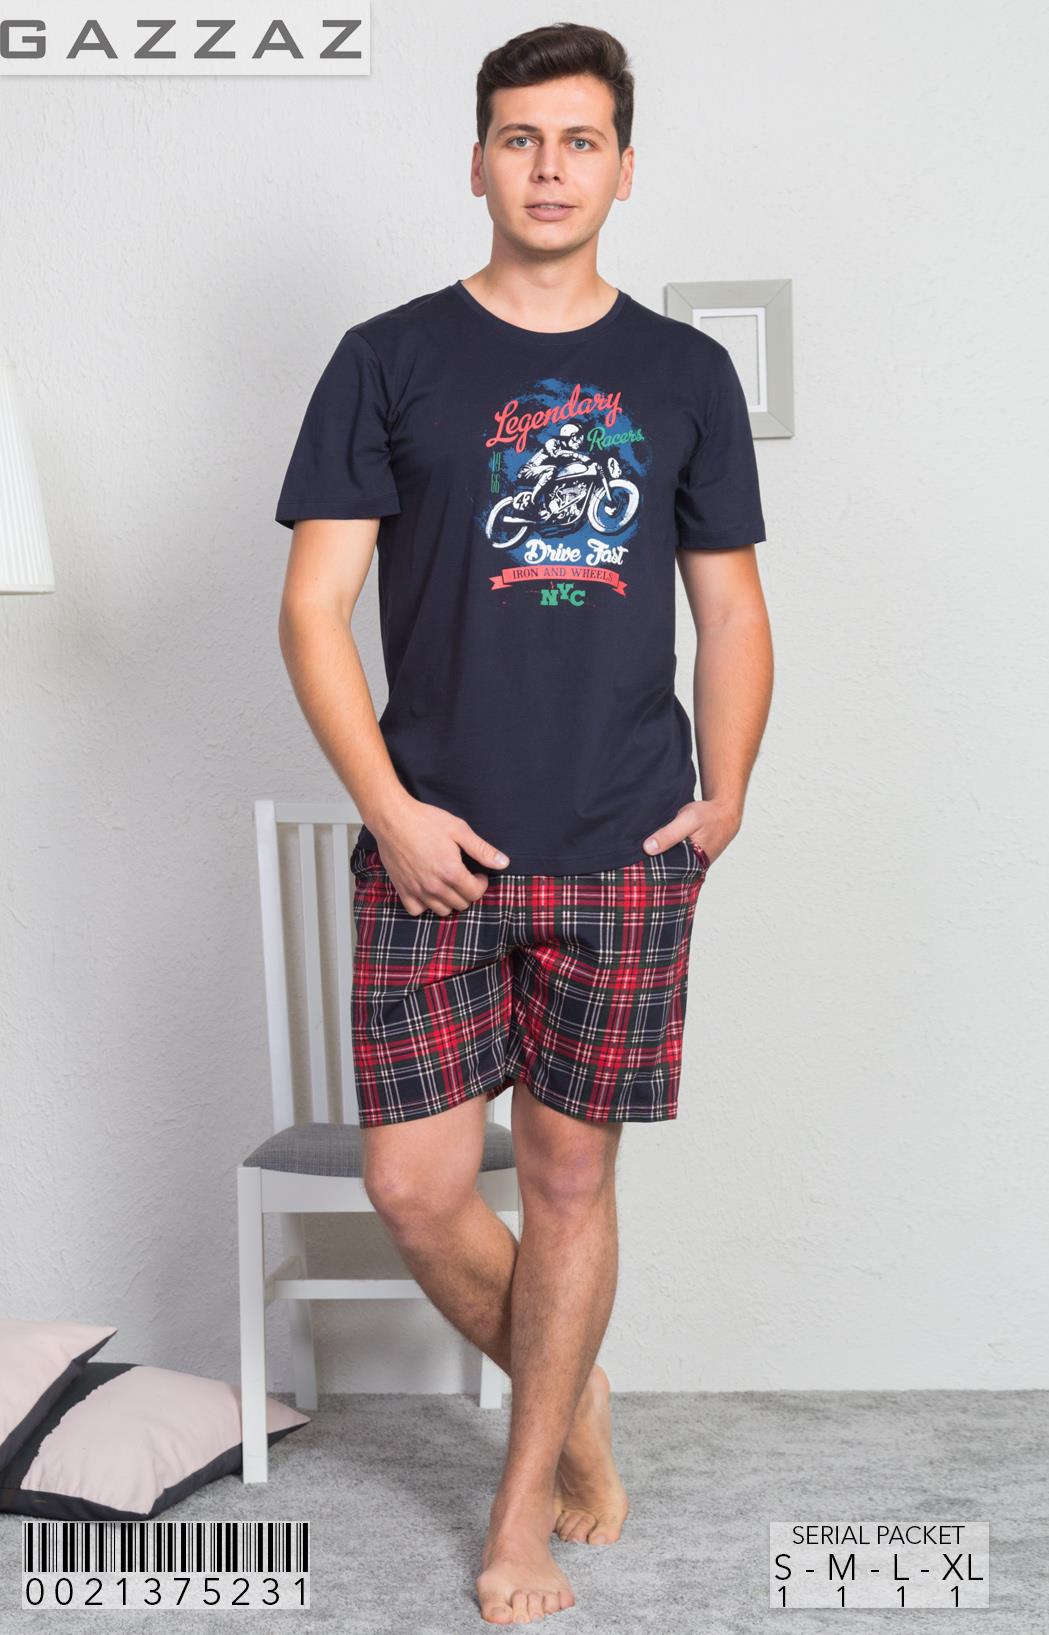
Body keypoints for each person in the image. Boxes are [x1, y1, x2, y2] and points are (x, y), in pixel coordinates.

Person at [273, 20, 774, 1625]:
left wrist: (726, 791)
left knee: (566, 1185)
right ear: (477, 160)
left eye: (578, 140)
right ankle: (577, 1394)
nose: (548, 167)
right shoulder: (387, 357)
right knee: (416, 1190)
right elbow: (313, 609)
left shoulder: (683, 374)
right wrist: (388, 810)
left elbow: (730, 609)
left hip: (622, 845)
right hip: (432, 853)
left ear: (623, 169)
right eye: (518, 137)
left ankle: (518, 1519)